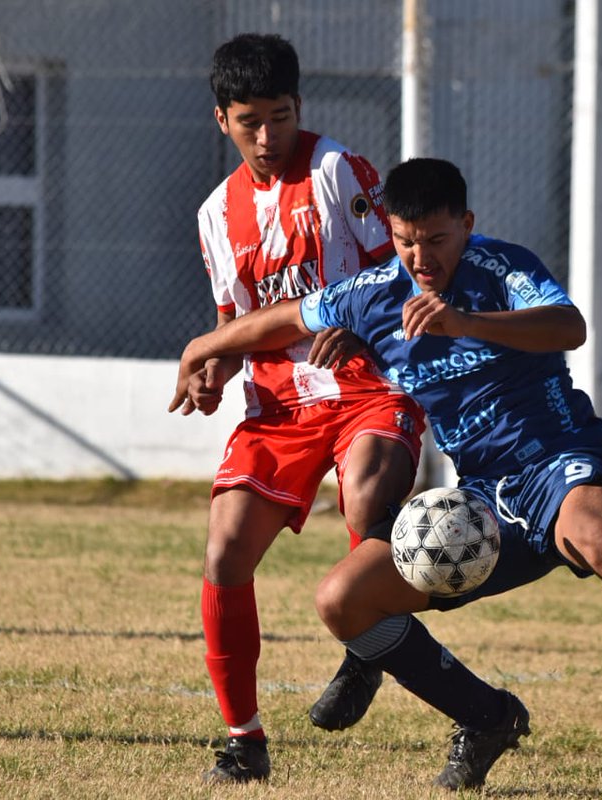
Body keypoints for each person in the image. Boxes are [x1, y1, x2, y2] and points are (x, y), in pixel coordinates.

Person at [170, 157, 602, 798]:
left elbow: (568, 328)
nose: (421, 257)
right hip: (486, 493)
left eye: (436, 239)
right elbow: (290, 316)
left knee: (598, 532)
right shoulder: (373, 293)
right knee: (342, 600)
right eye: (406, 241)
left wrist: (465, 323)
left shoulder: (502, 267)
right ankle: (485, 718)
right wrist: (203, 348)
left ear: (466, 224)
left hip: (557, 459)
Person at [177, 33, 425, 783]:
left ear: (298, 109)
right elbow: (235, 324)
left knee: (368, 487)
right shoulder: (215, 214)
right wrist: (213, 369)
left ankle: (365, 643)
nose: (266, 135)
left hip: (365, 383)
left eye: (280, 117)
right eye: (249, 120)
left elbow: (403, 269)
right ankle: (245, 742)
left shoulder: (335, 169)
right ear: (222, 118)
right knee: (223, 552)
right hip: (279, 404)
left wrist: (352, 320)